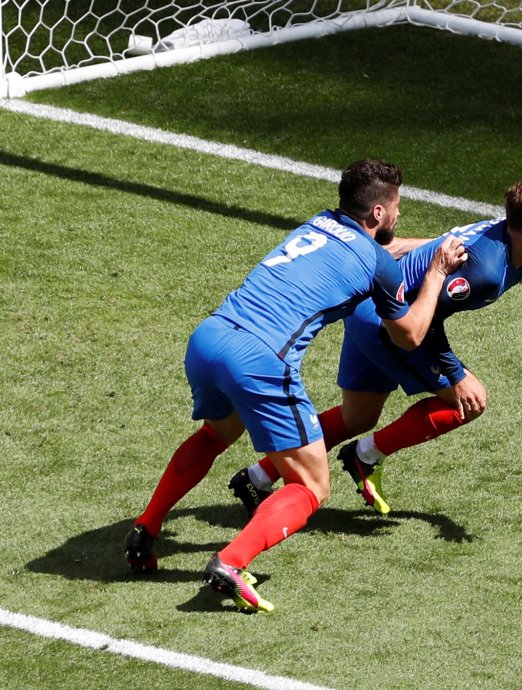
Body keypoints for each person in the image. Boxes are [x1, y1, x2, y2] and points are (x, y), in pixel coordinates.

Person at [124, 159, 467, 613]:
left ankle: (146, 528)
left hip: (210, 338)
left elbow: (386, 249)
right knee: (311, 485)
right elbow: (410, 335)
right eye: (397, 206)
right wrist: (438, 271)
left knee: (217, 434)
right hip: (260, 360)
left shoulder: (320, 223)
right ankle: (230, 562)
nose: (399, 215)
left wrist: (434, 244)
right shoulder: (378, 263)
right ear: (378, 213)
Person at [229, 179, 522, 518]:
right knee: (469, 401)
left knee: (357, 417)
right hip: (388, 324)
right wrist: (456, 375)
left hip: (367, 311)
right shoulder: (483, 270)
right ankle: (364, 456)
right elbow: (428, 322)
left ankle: (258, 476)